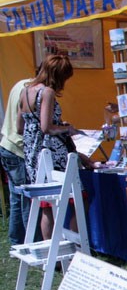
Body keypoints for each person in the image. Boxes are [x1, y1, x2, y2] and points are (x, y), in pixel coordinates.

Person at [16, 54, 93, 239]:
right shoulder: (47, 92)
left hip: (33, 154)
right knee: (79, 199)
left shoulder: (25, 91)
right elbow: (46, 127)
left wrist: (54, 124)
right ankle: (75, 245)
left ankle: (51, 249)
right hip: (52, 154)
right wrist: (66, 129)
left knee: (47, 205)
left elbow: (19, 127)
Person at [1, 75, 33, 245]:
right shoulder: (30, 91)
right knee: (26, 198)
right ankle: (30, 242)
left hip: (7, 144)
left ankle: (16, 241)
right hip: (18, 149)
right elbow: (22, 126)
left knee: (16, 197)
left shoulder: (20, 84)